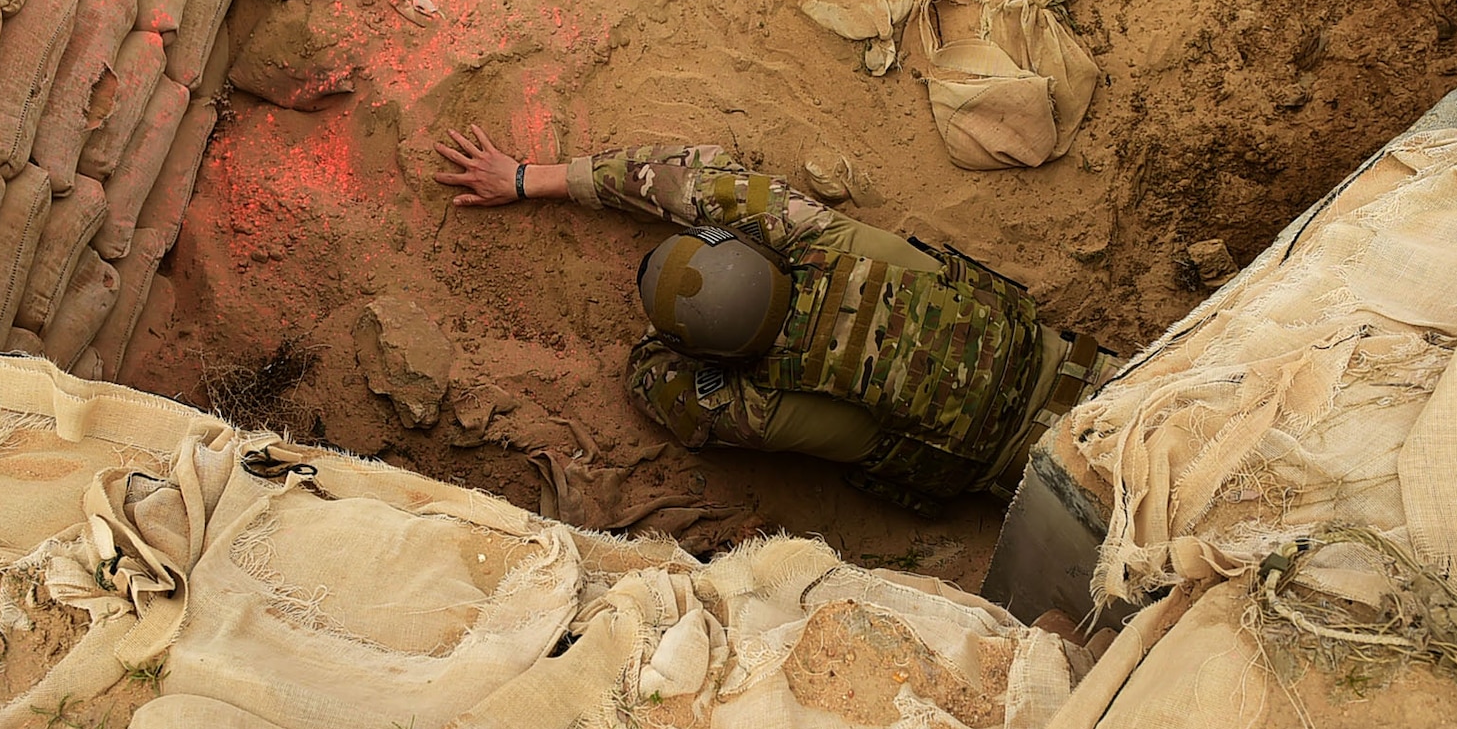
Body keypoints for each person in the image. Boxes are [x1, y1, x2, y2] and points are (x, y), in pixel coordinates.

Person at [435, 128, 1116, 512]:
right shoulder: (819, 237)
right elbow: (686, 176)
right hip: (1112, 386)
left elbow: (653, 384)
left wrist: (680, 343)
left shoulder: (761, 404)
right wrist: (529, 176)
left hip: (1062, 489)